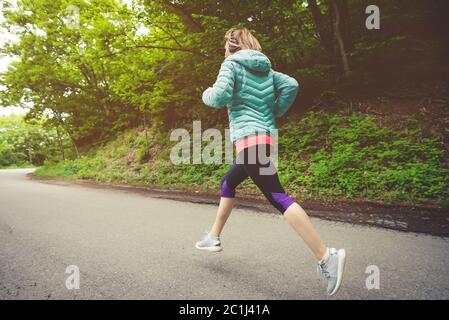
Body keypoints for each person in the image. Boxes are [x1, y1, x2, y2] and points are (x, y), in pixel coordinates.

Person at [195, 27, 346, 296]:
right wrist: (275, 109)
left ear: (231, 45)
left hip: (249, 141)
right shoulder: (264, 69)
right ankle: (213, 237)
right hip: (261, 140)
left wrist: (206, 92)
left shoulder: (230, 63)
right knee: (228, 183)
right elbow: (291, 84)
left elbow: (218, 97)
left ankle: (326, 256)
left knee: (279, 197)